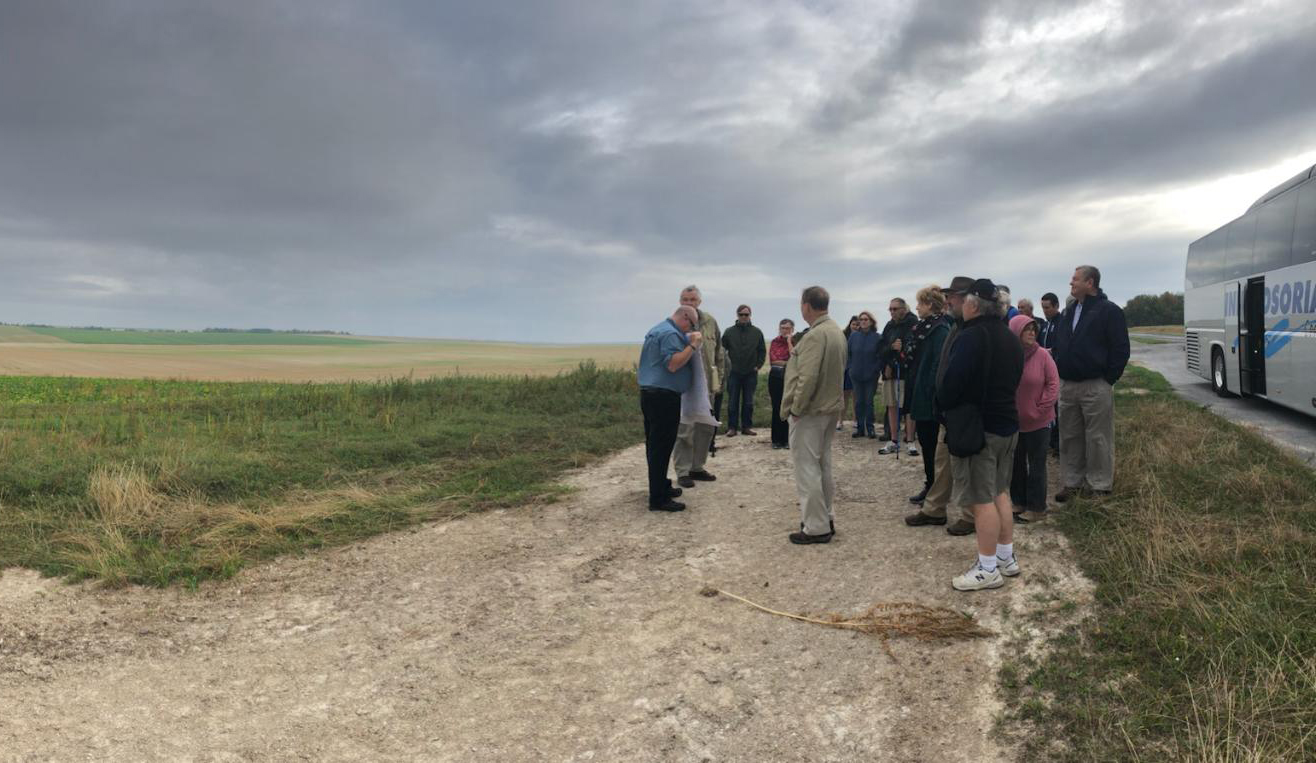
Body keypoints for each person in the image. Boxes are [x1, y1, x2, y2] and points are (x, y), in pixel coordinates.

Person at [936, 280, 1024, 591]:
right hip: (1007, 425)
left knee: (980, 498)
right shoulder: (1009, 336)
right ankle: (1005, 557)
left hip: (980, 430)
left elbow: (952, 384)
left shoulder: (972, 336)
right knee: (1000, 491)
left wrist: (943, 402)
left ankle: (987, 568)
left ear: (973, 305)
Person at [905, 276, 978, 534]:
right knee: (939, 455)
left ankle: (965, 513)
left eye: (954, 297)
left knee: (958, 460)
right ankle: (934, 505)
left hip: (951, 403)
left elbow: (943, 365)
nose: (949, 301)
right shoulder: (949, 327)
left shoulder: (947, 329)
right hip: (938, 400)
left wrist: (937, 394)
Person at [1052, 266, 1130, 502]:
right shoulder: (1068, 312)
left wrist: (1108, 380)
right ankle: (1073, 482)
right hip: (1068, 386)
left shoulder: (1109, 311)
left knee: (1098, 437)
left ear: (1090, 282)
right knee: (1069, 436)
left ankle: (1099, 485)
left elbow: (1120, 349)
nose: (1071, 283)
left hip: (1095, 385)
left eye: (1075, 279)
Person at [782, 286, 846, 545]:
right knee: (822, 465)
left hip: (810, 411)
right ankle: (825, 516)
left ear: (806, 305)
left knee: (807, 468)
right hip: (830, 408)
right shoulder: (837, 332)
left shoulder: (815, 336)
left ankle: (816, 526)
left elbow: (807, 378)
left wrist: (796, 408)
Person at [638, 306, 702, 512]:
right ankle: (658, 499)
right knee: (661, 447)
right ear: (685, 317)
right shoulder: (670, 334)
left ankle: (661, 485)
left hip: (652, 394)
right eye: (691, 325)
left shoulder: (659, 329)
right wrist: (692, 346)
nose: (689, 330)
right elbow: (673, 364)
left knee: (656, 444)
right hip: (663, 397)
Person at [673, 286, 725, 488]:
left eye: (692, 299)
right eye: (684, 299)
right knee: (684, 429)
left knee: (705, 427)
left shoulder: (710, 322)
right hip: (685, 386)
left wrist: (718, 379)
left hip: (707, 385)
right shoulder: (677, 323)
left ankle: (697, 467)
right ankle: (683, 471)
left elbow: (720, 352)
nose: (688, 303)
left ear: (699, 302)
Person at [1008, 314, 1059, 523]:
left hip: (1039, 421)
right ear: (1015, 332)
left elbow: (1053, 384)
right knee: (1016, 464)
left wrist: (1040, 409)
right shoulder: (1008, 356)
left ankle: (1037, 507)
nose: (1031, 333)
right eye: (1026, 329)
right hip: (1014, 422)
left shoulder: (1043, 356)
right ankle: (1018, 502)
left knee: (1037, 465)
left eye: (1033, 329)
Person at [905, 285, 951, 504]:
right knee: (925, 440)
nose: (917, 307)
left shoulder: (940, 329)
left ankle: (935, 487)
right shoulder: (924, 327)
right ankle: (931, 482)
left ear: (930, 305)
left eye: (920, 303)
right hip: (919, 389)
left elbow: (938, 363)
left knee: (931, 442)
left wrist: (931, 391)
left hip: (929, 395)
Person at [877, 298, 916, 450]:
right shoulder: (889, 325)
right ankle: (894, 440)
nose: (892, 312)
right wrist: (890, 352)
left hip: (906, 371)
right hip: (889, 371)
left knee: (907, 406)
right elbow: (880, 348)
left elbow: (912, 347)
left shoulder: (912, 323)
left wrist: (898, 352)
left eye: (895, 309)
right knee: (892, 405)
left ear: (903, 309)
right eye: (890, 309)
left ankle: (910, 440)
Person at [722, 304, 766, 437]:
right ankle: (732, 428)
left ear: (750, 315)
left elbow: (762, 350)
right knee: (732, 401)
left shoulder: (757, 332)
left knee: (748, 402)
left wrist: (758, 365)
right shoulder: (729, 332)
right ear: (737, 315)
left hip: (750, 372)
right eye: (741, 314)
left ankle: (747, 427)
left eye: (746, 314)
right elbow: (722, 351)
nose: (743, 317)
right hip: (733, 372)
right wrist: (725, 367)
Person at [846, 310, 881, 438]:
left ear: (871, 322)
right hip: (856, 374)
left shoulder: (877, 337)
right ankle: (860, 428)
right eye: (861, 319)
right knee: (858, 402)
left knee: (869, 402)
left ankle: (870, 428)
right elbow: (848, 354)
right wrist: (850, 368)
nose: (863, 322)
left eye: (866, 319)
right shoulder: (853, 336)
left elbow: (880, 356)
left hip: (871, 375)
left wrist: (875, 369)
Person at [1038, 292, 1062, 452]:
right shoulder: (1045, 325)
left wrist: (1053, 351)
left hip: (1058, 371)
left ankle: (1058, 443)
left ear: (1056, 306)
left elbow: (1063, 345)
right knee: (1049, 406)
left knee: (1058, 407)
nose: (1045, 311)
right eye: (1043, 308)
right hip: (1045, 370)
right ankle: (1051, 440)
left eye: (1047, 308)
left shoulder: (1061, 323)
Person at [768, 319, 794, 449]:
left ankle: (787, 439)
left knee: (788, 408)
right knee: (777, 408)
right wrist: (787, 362)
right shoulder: (774, 342)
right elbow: (774, 360)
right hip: (776, 377)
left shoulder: (795, 342)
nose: (785, 330)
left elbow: (795, 358)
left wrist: (789, 342)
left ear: (792, 330)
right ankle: (776, 440)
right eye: (783, 328)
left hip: (790, 378)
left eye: (788, 328)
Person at [839, 316, 860, 431]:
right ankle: (840, 421)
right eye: (854, 324)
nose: (856, 327)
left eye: (858, 325)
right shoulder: (843, 336)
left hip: (856, 368)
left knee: (856, 396)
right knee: (844, 396)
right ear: (850, 324)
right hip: (845, 369)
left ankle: (855, 420)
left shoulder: (862, 336)